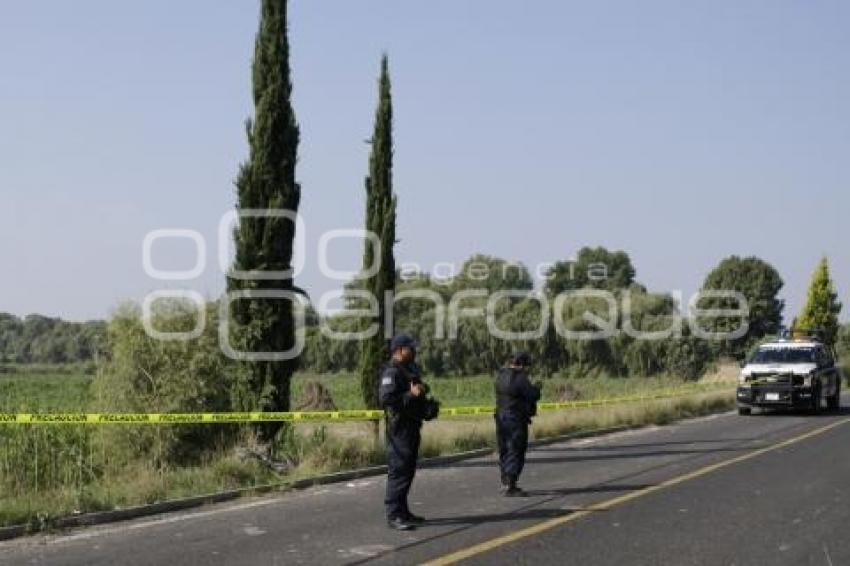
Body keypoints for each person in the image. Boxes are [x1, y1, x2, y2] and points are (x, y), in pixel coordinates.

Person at [380, 333, 428, 531]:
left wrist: (423, 390)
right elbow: (387, 399)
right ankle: (393, 515)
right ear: (399, 350)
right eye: (410, 348)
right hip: (398, 429)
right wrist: (411, 394)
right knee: (399, 471)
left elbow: (418, 390)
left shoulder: (409, 369)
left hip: (411, 427)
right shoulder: (391, 372)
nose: (414, 351)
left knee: (407, 471)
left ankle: (403, 511)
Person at [494, 351, 541, 496]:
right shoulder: (520, 378)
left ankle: (505, 477)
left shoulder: (500, 375)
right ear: (521, 364)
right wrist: (537, 388)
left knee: (504, 448)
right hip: (515, 418)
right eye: (526, 366)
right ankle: (511, 484)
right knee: (516, 448)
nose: (527, 369)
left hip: (501, 417)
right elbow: (532, 395)